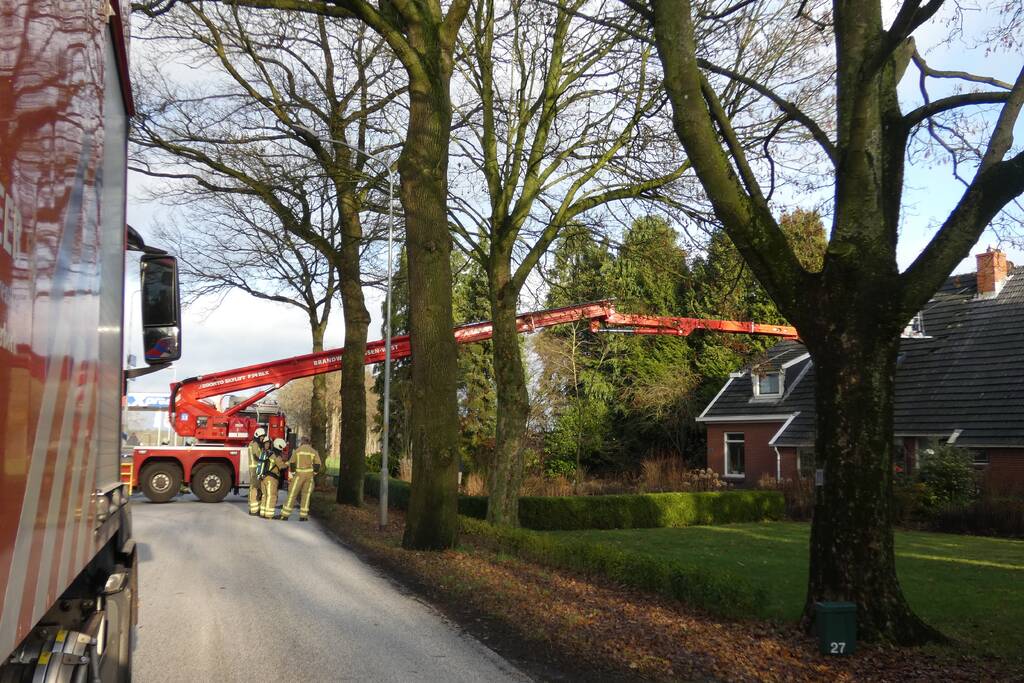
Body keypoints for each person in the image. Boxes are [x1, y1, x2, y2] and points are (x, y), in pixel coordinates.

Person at [280, 435, 322, 522]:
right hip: (309, 475)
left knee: (292, 494)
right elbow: (318, 464)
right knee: (306, 495)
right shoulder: (314, 451)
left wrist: (293, 472)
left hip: (299, 475)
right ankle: (303, 516)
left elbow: (292, 462)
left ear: (302, 442)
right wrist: (314, 473)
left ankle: (285, 515)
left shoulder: (297, 451)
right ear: (309, 442)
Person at [259, 438, 288, 519]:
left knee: (265, 495)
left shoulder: (268, 453)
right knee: (272, 496)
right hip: (271, 479)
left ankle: (262, 512)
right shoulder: (276, 456)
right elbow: (281, 467)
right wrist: (288, 464)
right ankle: (268, 515)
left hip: (263, 477)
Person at [247, 427, 267, 515]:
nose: (262, 439)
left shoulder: (255, 443)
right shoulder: (254, 444)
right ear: (257, 436)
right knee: (254, 488)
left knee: (257, 488)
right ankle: (253, 510)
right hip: (255, 469)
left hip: (256, 468)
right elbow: (258, 456)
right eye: (261, 437)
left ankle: (255, 508)